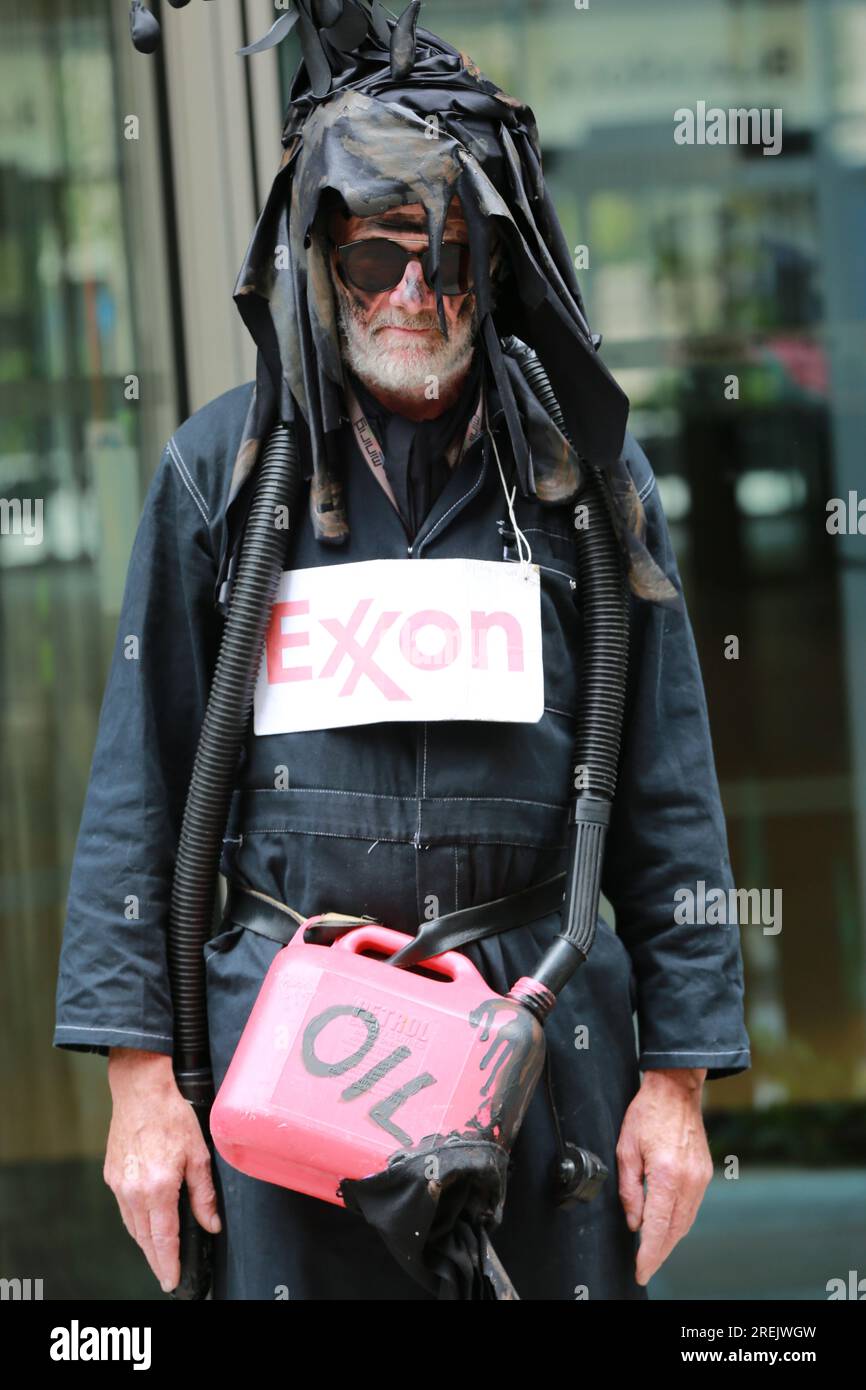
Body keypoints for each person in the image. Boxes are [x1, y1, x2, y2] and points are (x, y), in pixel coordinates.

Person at [54, 2, 750, 1301]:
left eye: (447, 258)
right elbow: (138, 785)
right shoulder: (222, 474)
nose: (413, 293)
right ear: (320, 262)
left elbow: (665, 787)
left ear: (499, 266)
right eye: (376, 256)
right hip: (287, 1041)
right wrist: (139, 1080)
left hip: (532, 1039)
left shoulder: (584, 482)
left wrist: (677, 1079)